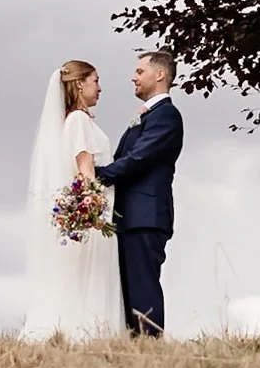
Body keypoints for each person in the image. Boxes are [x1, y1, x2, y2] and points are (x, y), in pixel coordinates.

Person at [18, 59, 124, 342]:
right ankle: (86, 334)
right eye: (95, 80)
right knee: (89, 277)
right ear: (80, 83)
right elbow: (85, 168)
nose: (100, 88)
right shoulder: (77, 120)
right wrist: (92, 208)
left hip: (91, 207)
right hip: (94, 210)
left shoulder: (76, 119)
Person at [91, 49, 182, 336]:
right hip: (130, 215)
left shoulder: (167, 115)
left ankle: (150, 344)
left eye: (140, 72)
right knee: (130, 286)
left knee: (143, 284)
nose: (133, 77)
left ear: (160, 75)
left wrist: (100, 175)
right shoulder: (149, 116)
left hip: (146, 216)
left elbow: (140, 157)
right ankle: (135, 345)